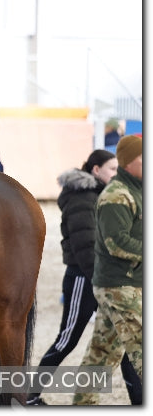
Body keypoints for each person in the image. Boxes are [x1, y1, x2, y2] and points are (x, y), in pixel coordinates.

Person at [27, 150, 141, 405]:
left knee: (125, 343)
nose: (117, 173)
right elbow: (85, 247)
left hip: (108, 281)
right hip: (84, 279)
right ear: (96, 170)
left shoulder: (108, 195)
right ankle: (29, 394)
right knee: (67, 340)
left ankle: (140, 402)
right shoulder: (82, 198)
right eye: (112, 169)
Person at [73, 135, 142, 405]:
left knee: (101, 356)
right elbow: (117, 242)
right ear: (129, 163)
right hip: (118, 288)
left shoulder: (138, 190)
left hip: (127, 284)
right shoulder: (116, 195)